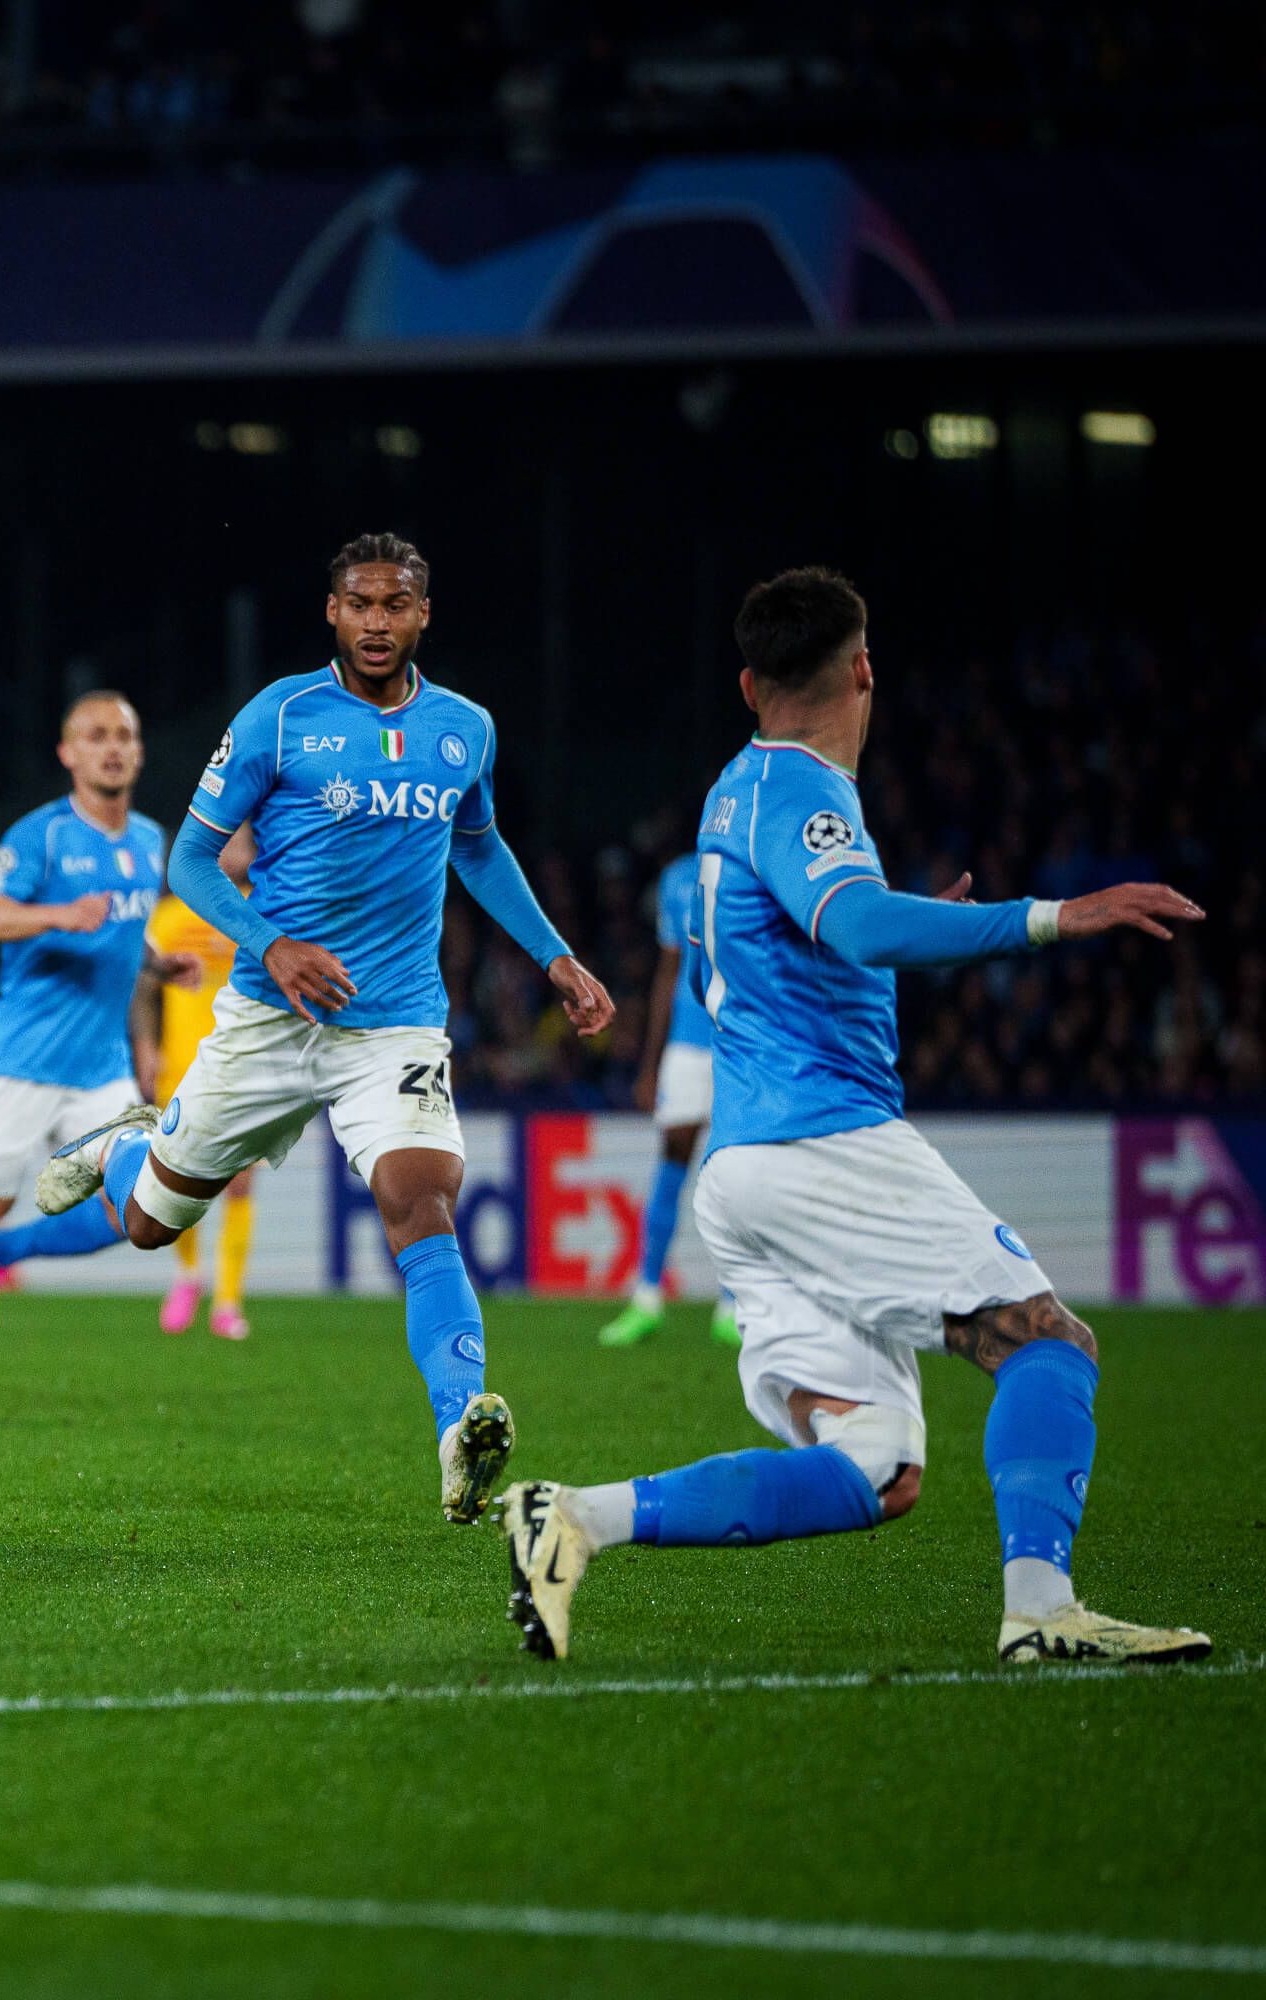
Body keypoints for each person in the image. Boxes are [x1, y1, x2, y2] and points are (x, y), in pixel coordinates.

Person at [498, 568, 1209, 1664]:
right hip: (819, 1143)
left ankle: (574, 1516)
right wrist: (1057, 917)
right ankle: (1041, 1609)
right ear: (866, 664)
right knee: (1048, 1344)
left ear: (747, 682)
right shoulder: (800, 790)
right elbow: (863, 924)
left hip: (746, 1168)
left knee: (880, 1467)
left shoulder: (733, 789)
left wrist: (908, 935)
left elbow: (821, 947)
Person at [34, 534, 614, 1523]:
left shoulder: (463, 729)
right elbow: (190, 865)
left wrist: (555, 954)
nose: (378, 620)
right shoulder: (281, 717)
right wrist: (276, 944)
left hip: (391, 1026)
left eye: (397, 603)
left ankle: (458, 1424)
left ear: (424, 613)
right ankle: (130, 1148)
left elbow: (479, 848)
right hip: (268, 1014)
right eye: (360, 603)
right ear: (332, 613)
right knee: (147, 1225)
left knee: (420, 1197)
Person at [0, 692, 187, 1419]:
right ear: (68, 754)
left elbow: (120, 939)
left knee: (144, 1212)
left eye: (124, 735)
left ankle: (6, 1258)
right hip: (20, 1061)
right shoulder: (43, 837)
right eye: (95, 736)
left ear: (139, 752)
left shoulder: (150, 839)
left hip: (103, 1068)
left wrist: (153, 989)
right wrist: (56, 912)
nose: (112, 748)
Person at [594, 846, 738, 1347]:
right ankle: (647, 1298)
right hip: (688, 1040)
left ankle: (734, 1304)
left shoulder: (758, 864)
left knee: (736, 1168)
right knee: (674, 1156)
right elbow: (668, 969)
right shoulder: (678, 878)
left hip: (743, 1040)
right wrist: (651, 1062)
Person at [141, 823, 259, 1340]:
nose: (249, 846)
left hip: (244, 1066)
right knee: (178, 1182)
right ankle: (189, 1275)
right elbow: (143, 982)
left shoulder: (267, 906)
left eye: (252, 838)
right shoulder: (170, 913)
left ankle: (228, 1301)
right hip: (181, 1067)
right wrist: (146, 1049)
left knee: (240, 1182)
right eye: (238, 835)